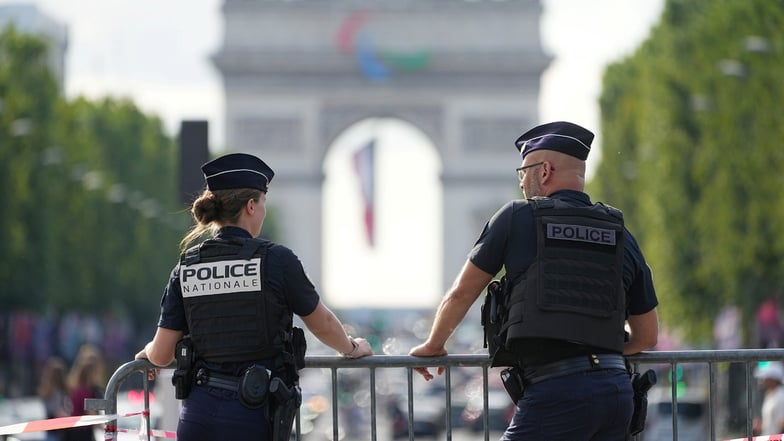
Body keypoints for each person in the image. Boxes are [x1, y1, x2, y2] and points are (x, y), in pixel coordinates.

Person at [409, 121, 659, 440]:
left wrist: (434, 345)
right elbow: (647, 335)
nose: (522, 184)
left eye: (523, 173)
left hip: (557, 391)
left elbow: (461, 293)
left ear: (544, 171)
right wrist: (597, 355)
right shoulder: (620, 231)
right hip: (617, 394)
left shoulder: (517, 217)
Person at [135, 152, 373, 441]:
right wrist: (351, 348)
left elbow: (161, 354)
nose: (263, 211)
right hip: (251, 412)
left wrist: (148, 351)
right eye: (263, 203)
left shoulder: (187, 265)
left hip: (197, 415)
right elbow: (321, 322)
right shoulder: (277, 261)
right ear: (251, 205)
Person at [64, 344, 105, 441]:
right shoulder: (86, 392)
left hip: (73, 431)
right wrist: (108, 428)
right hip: (82, 432)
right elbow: (92, 415)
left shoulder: (76, 389)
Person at [37, 356, 70, 441]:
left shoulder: (46, 390)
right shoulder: (56, 392)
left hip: (50, 429)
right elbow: (57, 411)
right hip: (57, 431)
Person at [753, 362, 784, 436]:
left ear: (774, 379)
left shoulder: (781, 396)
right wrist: (761, 426)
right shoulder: (770, 395)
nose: (763, 381)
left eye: (766, 378)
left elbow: (782, 424)